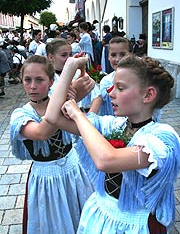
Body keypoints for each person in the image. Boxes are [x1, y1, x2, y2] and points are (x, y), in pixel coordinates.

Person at [45, 55, 180, 234]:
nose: (110, 93)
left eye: (120, 88)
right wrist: (69, 69)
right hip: (102, 214)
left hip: (135, 224)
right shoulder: (116, 124)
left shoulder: (163, 138)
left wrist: (78, 114)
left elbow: (106, 161)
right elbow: (52, 117)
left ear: (148, 95)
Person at [10, 55, 96, 234]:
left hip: (74, 169)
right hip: (46, 178)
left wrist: (80, 73)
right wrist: (67, 82)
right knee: (53, 224)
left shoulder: (64, 103)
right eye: (28, 80)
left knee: (81, 218)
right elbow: (42, 133)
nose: (33, 86)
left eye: (39, 80)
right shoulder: (19, 115)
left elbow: (81, 125)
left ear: (51, 82)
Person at [89, 36, 132, 115]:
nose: (118, 59)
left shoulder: (139, 79)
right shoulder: (106, 81)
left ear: (131, 55)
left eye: (123, 54)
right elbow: (102, 107)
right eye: (113, 55)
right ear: (108, 57)